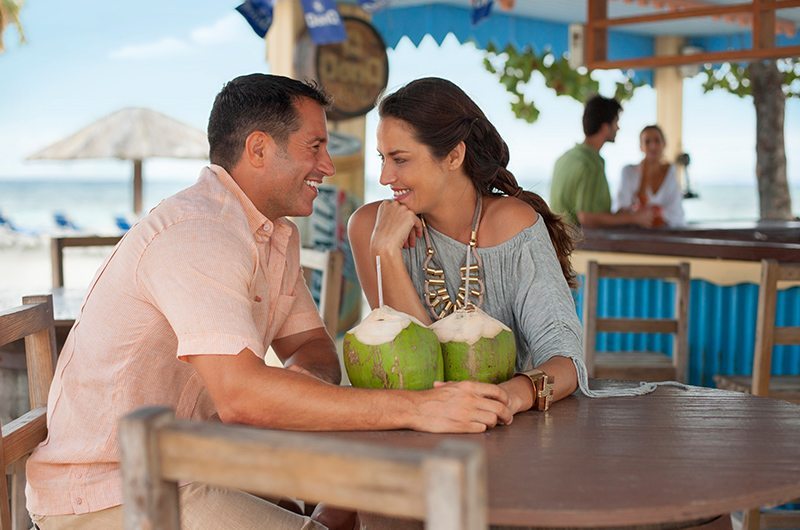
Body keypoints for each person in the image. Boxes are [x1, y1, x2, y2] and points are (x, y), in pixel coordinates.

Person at [25, 74, 515, 530]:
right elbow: (241, 398)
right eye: (315, 147)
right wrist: (417, 408)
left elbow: (314, 349)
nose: (327, 165)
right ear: (258, 149)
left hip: (196, 462)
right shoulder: (200, 233)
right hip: (111, 491)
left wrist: (287, 398)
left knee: (347, 510)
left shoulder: (271, 233)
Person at [349, 77, 586, 420]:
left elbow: (567, 361)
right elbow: (414, 371)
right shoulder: (371, 228)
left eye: (400, 159)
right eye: (382, 158)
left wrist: (508, 397)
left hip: (504, 431)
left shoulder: (514, 224)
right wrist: (385, 252)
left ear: (454, 155)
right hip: (409, 432)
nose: (385, 177)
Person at [550, 95, 657, 229]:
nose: (618, 128)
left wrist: (621, 215)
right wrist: (633, 218)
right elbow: (586, 218)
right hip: (579, 247)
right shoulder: (590, 164)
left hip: (558, 244)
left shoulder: (564, 159)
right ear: (605, 127)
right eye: (616, 122)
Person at [616, 124, 685, 227]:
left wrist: (647, 214)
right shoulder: (628, 172)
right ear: (641, 147)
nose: (653, 146)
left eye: (657, 141)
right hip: (638, 237)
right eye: (647, 142)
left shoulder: (671, 172)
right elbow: (621, 210)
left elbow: (677, 214)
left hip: (667, 236)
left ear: (664, 144)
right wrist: (644, 176)